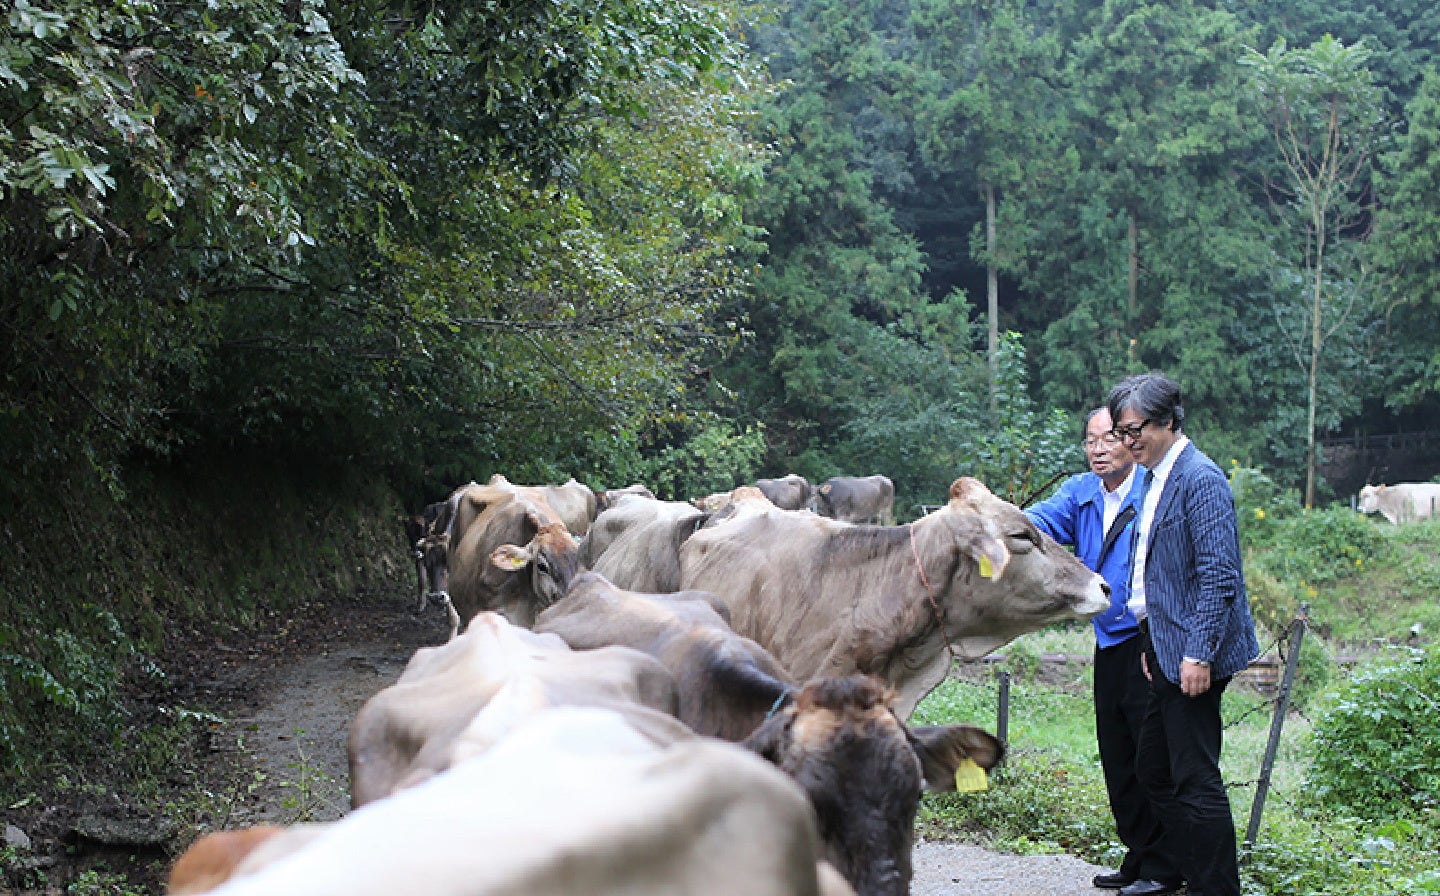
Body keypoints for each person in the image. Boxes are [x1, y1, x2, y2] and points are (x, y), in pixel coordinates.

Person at [1106, 373, 1260, 896]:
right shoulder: (1155, 476)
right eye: (1121, 432)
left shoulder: (1201, 478)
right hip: (1164, 645)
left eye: (1135, 431)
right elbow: (1157, 571)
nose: (1128, 443)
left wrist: (1198, 653)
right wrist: (1152, 640)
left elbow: (1219, 574)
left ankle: (1217, 888)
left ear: (1169, 421)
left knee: (1194, 777)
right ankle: (1184, 873)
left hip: (1197, 651)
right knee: (1154, 768)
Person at [1027, 408, 1181, 894]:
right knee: (1118, 755)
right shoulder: (1081, 492)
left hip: (1148, 638)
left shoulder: (1151, 491)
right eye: (1090, 441)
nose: (1098, 449)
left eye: (1109, 439)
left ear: (1130, 441)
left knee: (1151, 757)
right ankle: (1139, 854)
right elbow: (1038, 521)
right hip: (1108, 639)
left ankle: (1165, 866)